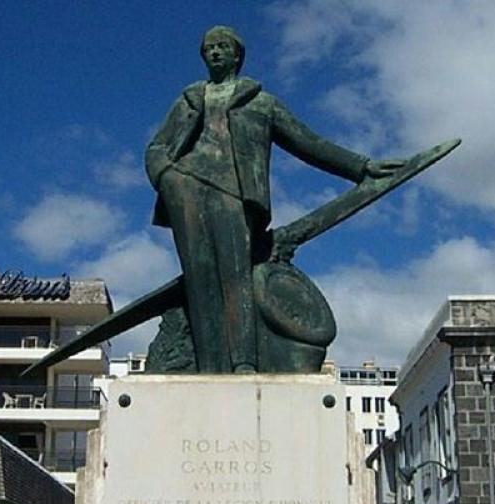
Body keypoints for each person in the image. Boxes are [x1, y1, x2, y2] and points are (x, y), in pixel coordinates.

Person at [145, 26, 400, 373]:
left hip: (233, 191)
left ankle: (244, 363)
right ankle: (210, 366)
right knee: (199, 281)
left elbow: (307, 142)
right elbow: (158, 147)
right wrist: (166, 177)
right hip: (186, 188)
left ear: (237, 55)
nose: (215, 52)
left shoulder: (261, 103)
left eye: (222, 47)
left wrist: (362, 166)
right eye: (209, 48)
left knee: (237, 279)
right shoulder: (189, 100)